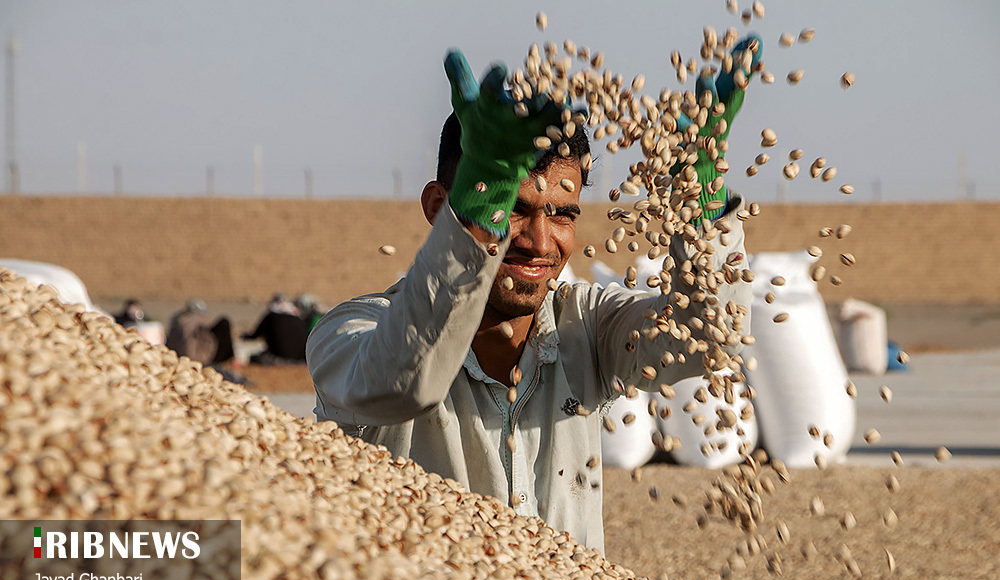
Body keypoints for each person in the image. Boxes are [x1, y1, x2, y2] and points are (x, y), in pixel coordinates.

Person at [307, 42, 758, 553]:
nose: (540, 242)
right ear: (439, 207)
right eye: (511, 209)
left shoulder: (582, 328)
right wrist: (477, 218)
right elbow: (402, 382)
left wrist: (700, 200)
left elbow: (705, 338)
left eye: (563, 214)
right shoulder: (352, 333)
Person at [243, 293, 309, 364]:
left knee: (254, 358)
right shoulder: (297, 319)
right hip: (302, 360)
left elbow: (254, 336)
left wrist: (245, 336)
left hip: (278, 359)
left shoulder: (270, 317)